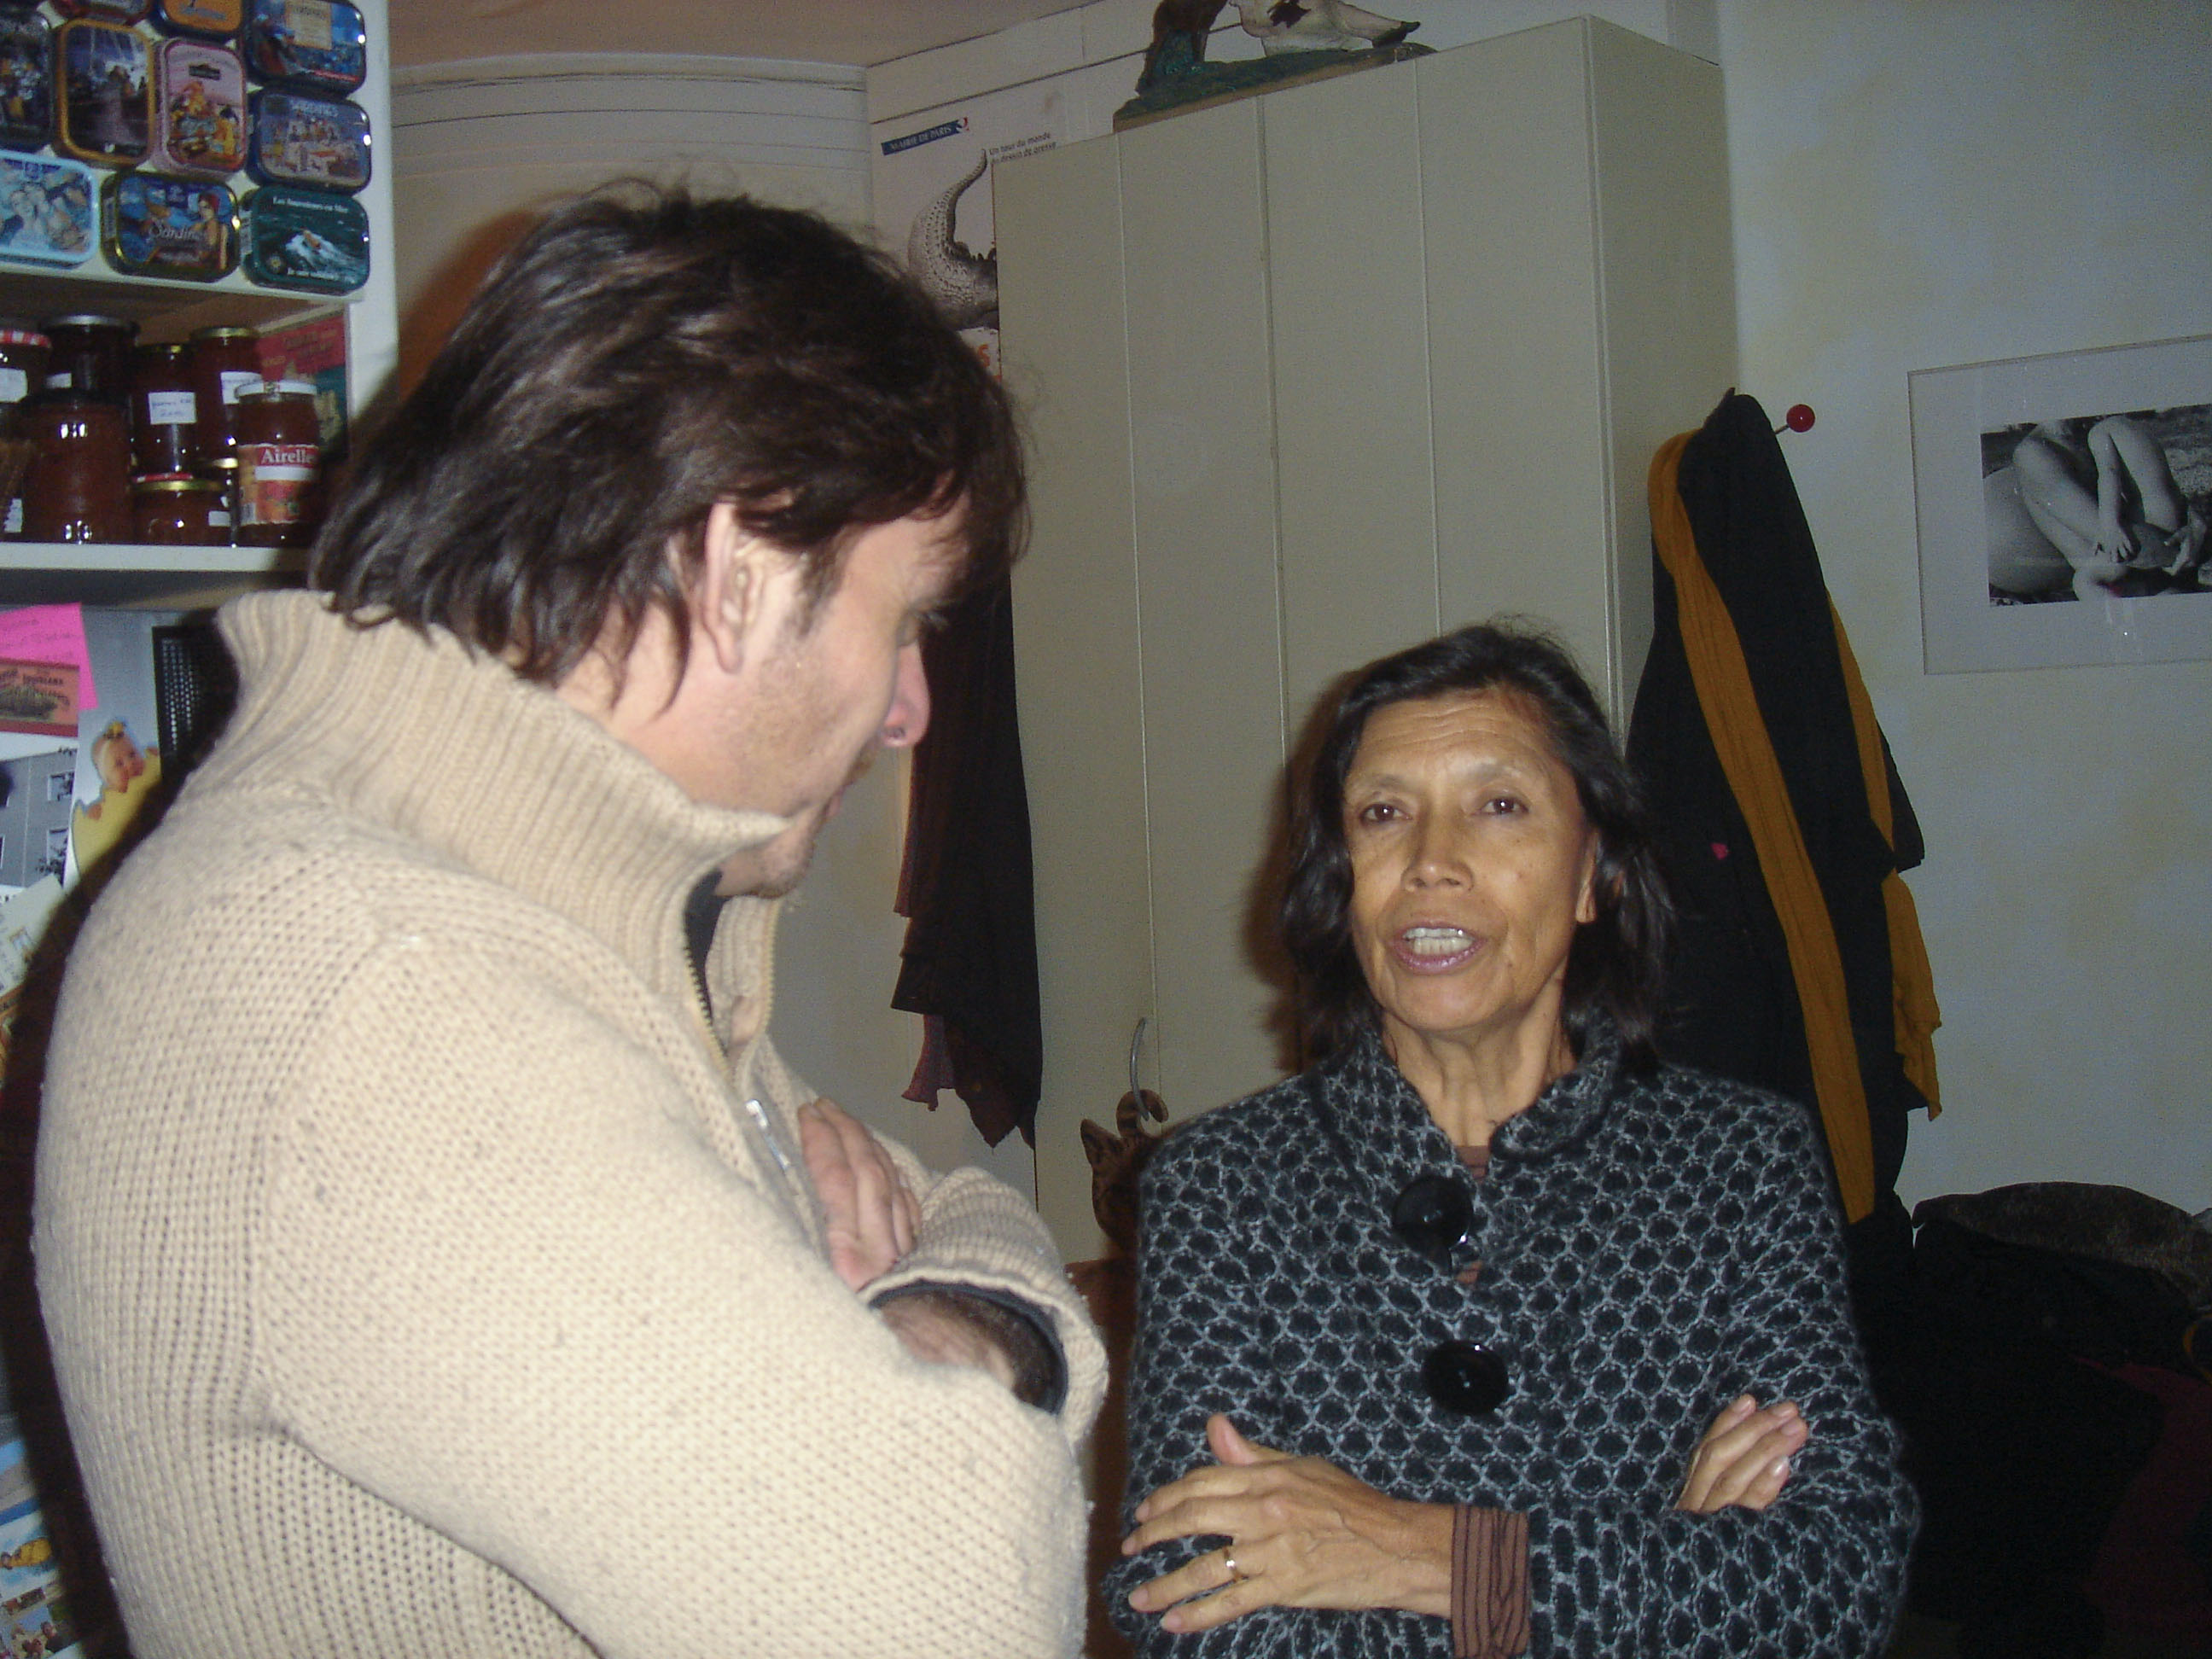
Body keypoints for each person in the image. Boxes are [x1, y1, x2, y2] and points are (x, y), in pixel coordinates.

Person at [33, 188, 1103, 1659]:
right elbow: (957, 1611)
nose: (908, 707)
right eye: (903, 619)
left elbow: (940, 1201)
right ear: (738, 570)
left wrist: (943, 1304)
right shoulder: (389, 988)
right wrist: (972, 1319)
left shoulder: (531, 921)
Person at [1106, 623, 1914, 1656]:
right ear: (1341, 881)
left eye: (1499, 806)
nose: (1432, 862)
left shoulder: (1742, 1166)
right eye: (1384, 814)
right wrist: (1661, 1570)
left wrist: (1417, 1554)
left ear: (1593, 873)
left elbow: (1836, 1581)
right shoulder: (1219, 1190)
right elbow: (1187, 1612)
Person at [1987, 414, 2209, 599]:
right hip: (2120, 573)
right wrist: (2196, 545)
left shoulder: (2099, 432)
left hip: (2141, 569)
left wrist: (2195, 525)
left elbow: (2166, 498)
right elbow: (2121, 546)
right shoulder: (2035, 454)